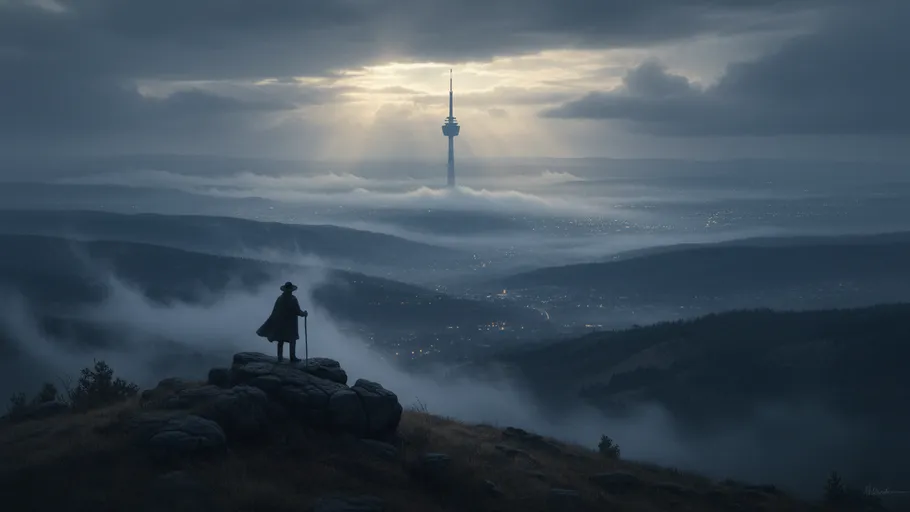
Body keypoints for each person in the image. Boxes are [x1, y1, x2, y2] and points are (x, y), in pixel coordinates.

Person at [256, 281, 308, 362]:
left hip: (281, 324)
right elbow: (297, 311)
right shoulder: (293, 299)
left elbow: (275, 312)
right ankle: (292, 357)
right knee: (292, 340)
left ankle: (280, 357)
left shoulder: (280, 299)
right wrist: (304, 314)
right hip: (291, 324)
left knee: (281, 340)